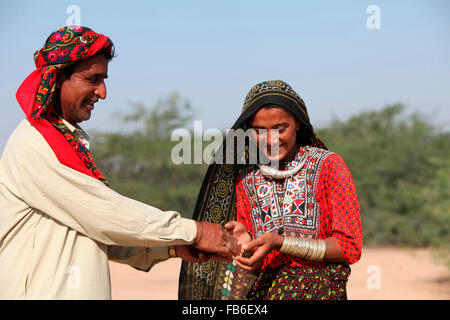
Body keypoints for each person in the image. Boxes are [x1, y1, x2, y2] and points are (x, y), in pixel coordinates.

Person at [0, 26, 237, 300]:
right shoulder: (35, 144)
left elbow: (102, 234)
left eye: (103, 79)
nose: (102, 92)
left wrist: (173, 247)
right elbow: (106, 214)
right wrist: (194, 231)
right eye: (93, 79)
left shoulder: (67, 142)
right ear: (56, 79)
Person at [179, 80, 363, 300]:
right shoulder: (246, 178)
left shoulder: (328, 166)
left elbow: (349, 248)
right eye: (259, 131)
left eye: (280, 128)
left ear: (298, 123)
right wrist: (245, 245)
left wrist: (281, 242)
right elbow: (257, 267)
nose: (271, 140)